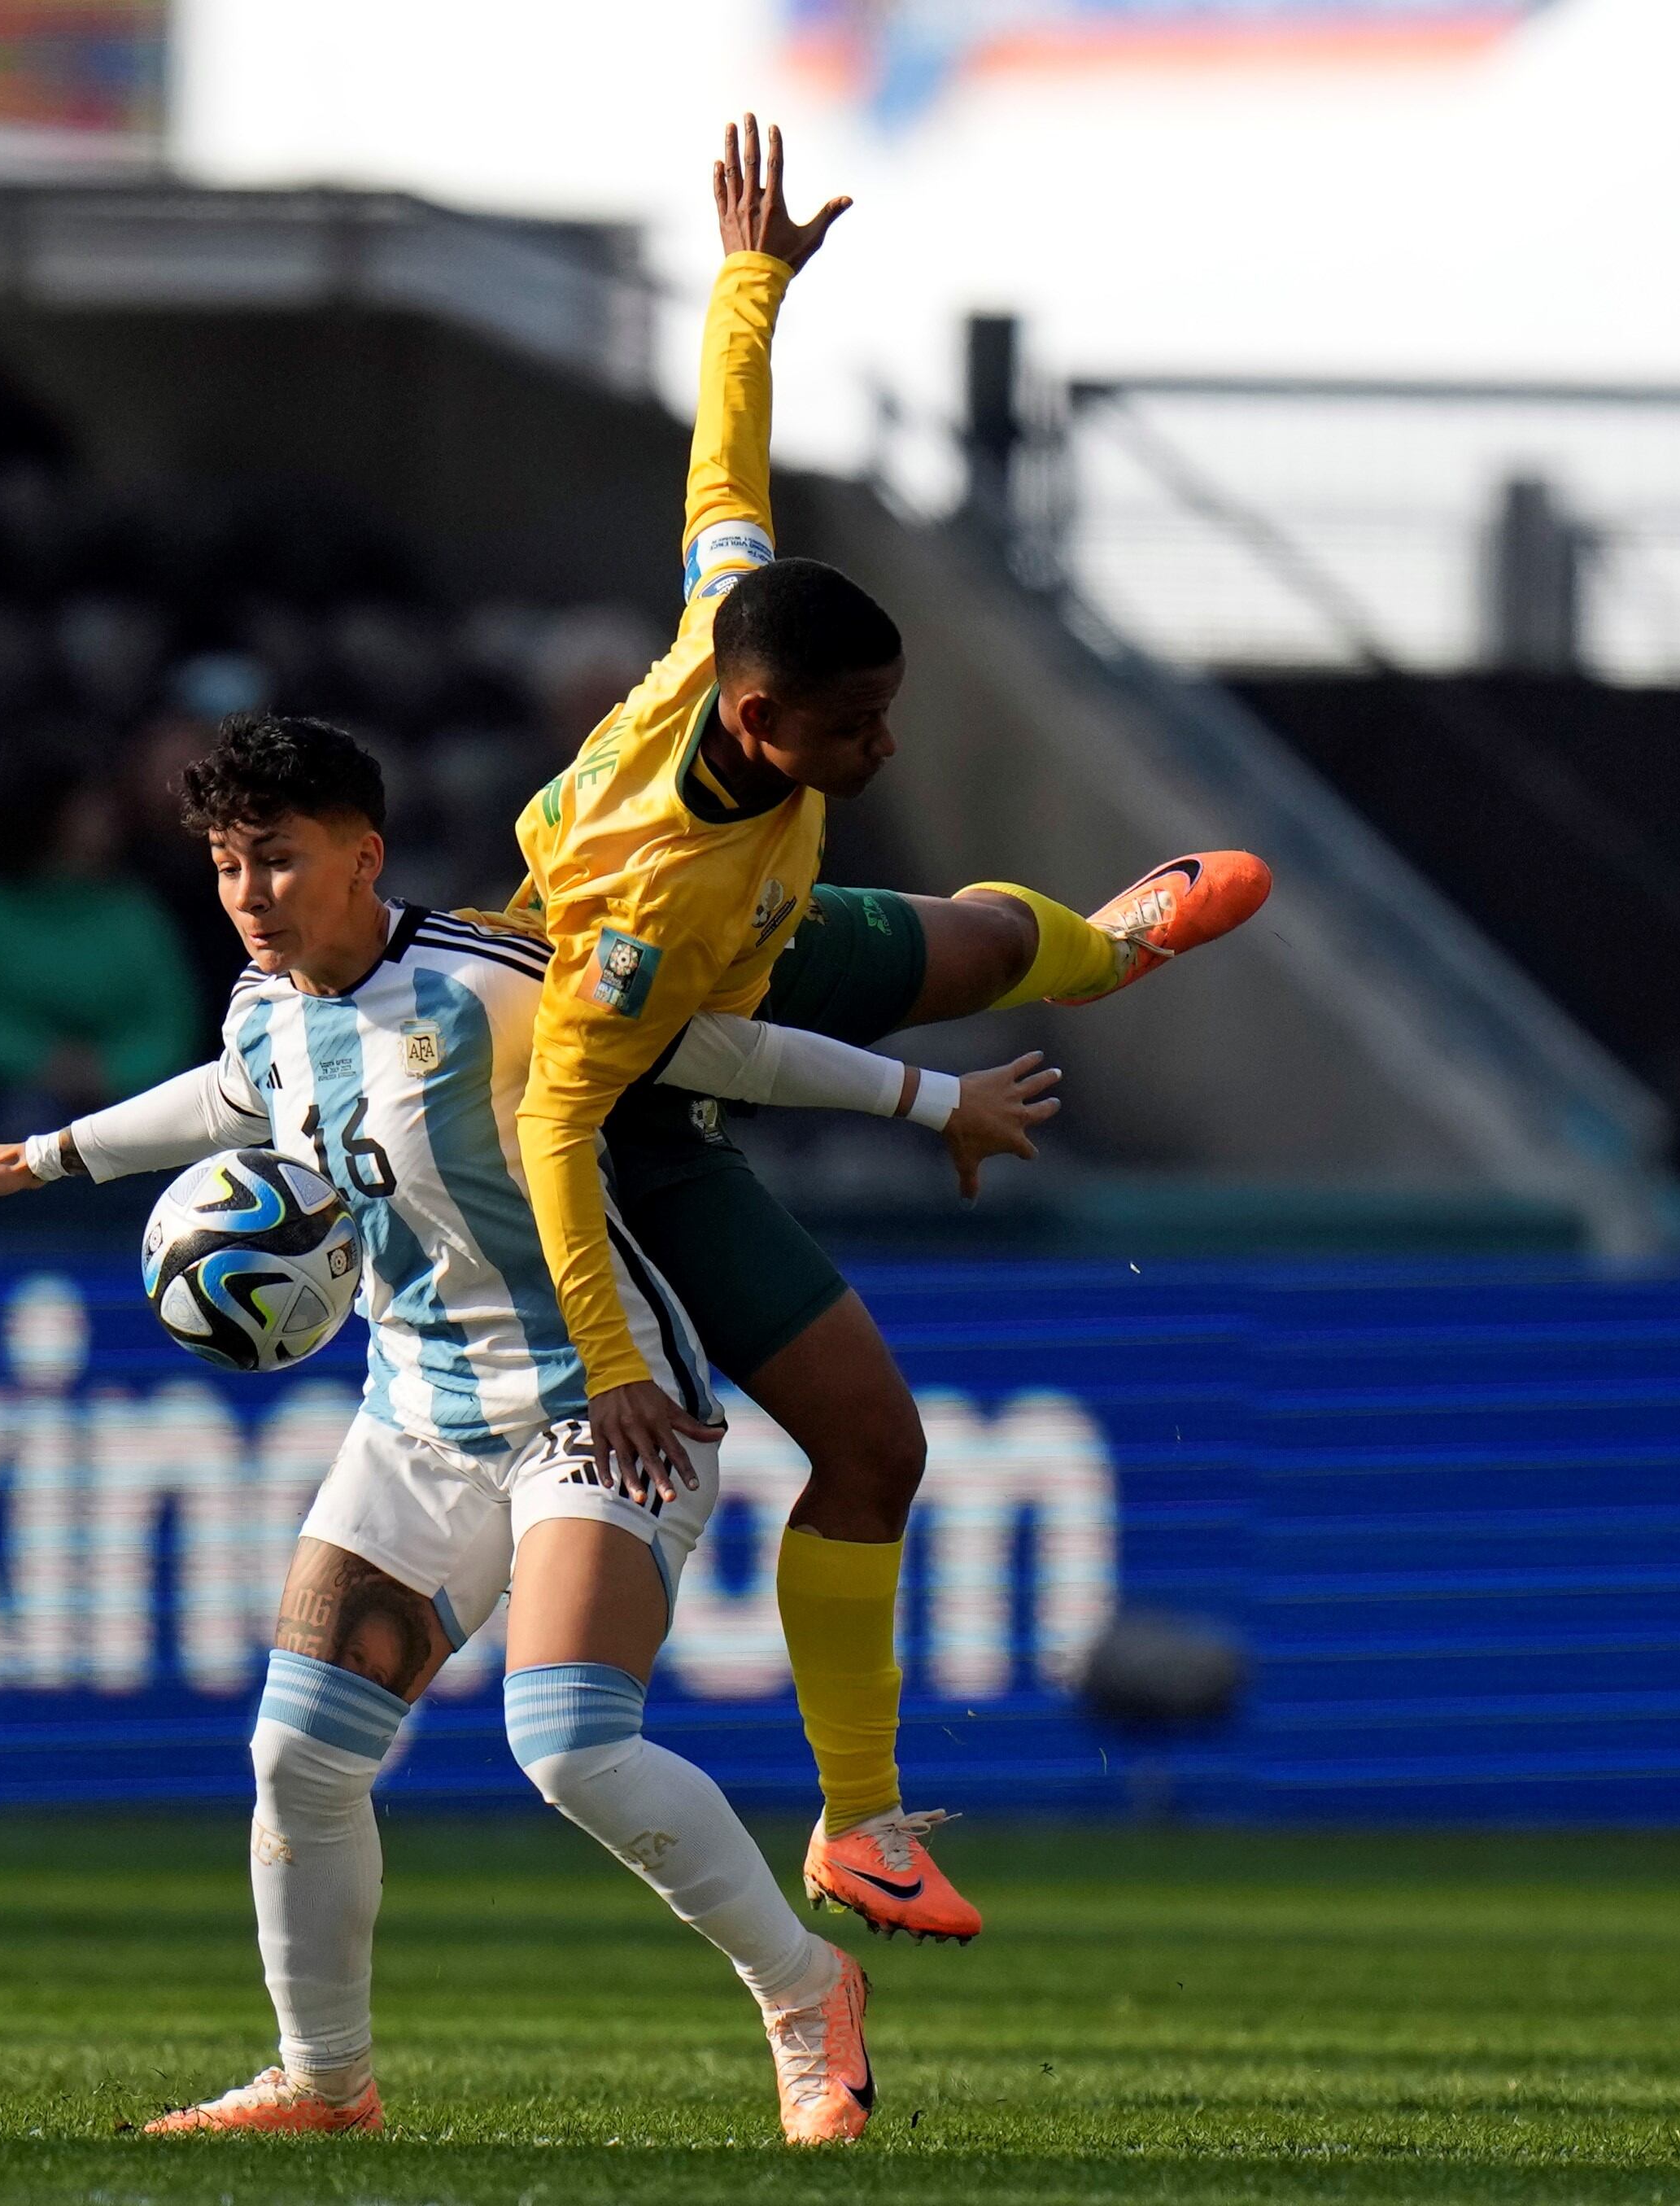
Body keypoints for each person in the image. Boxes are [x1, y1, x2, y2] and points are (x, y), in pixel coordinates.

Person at [0, 714, 1055, 2142]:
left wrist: (933, 1096)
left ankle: (807, 1993)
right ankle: (325, 2083)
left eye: (277, 860)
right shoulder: (263, 1007)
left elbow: (705, 1051)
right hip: (418, 1417)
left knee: (567, 1743)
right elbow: (238, 1094)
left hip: (600, 1408)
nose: (248, 894)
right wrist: (38, 1157)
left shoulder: (490, 981)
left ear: (361, 855)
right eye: (225, 866)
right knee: (297, 1758)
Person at [505, 118, 1270, 1942]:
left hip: (756, 953)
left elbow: (721, 463)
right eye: (855, 729)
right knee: (876, 1446)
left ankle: (1104, 945)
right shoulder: (643, 900)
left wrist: (751, 281)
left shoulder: (726, 628)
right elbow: (557, 1118)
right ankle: (858, 1820)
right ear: (763, 730)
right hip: (643, 1104)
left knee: (992, 931)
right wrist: (609, 1353)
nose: (885, 746)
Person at [0, 767, 204, 1136]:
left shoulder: (131, 912)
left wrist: (109, 1071)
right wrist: (43, 1063)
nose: (109, 819)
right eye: (90, 808)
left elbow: (171, 1025)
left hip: (123, 1097)